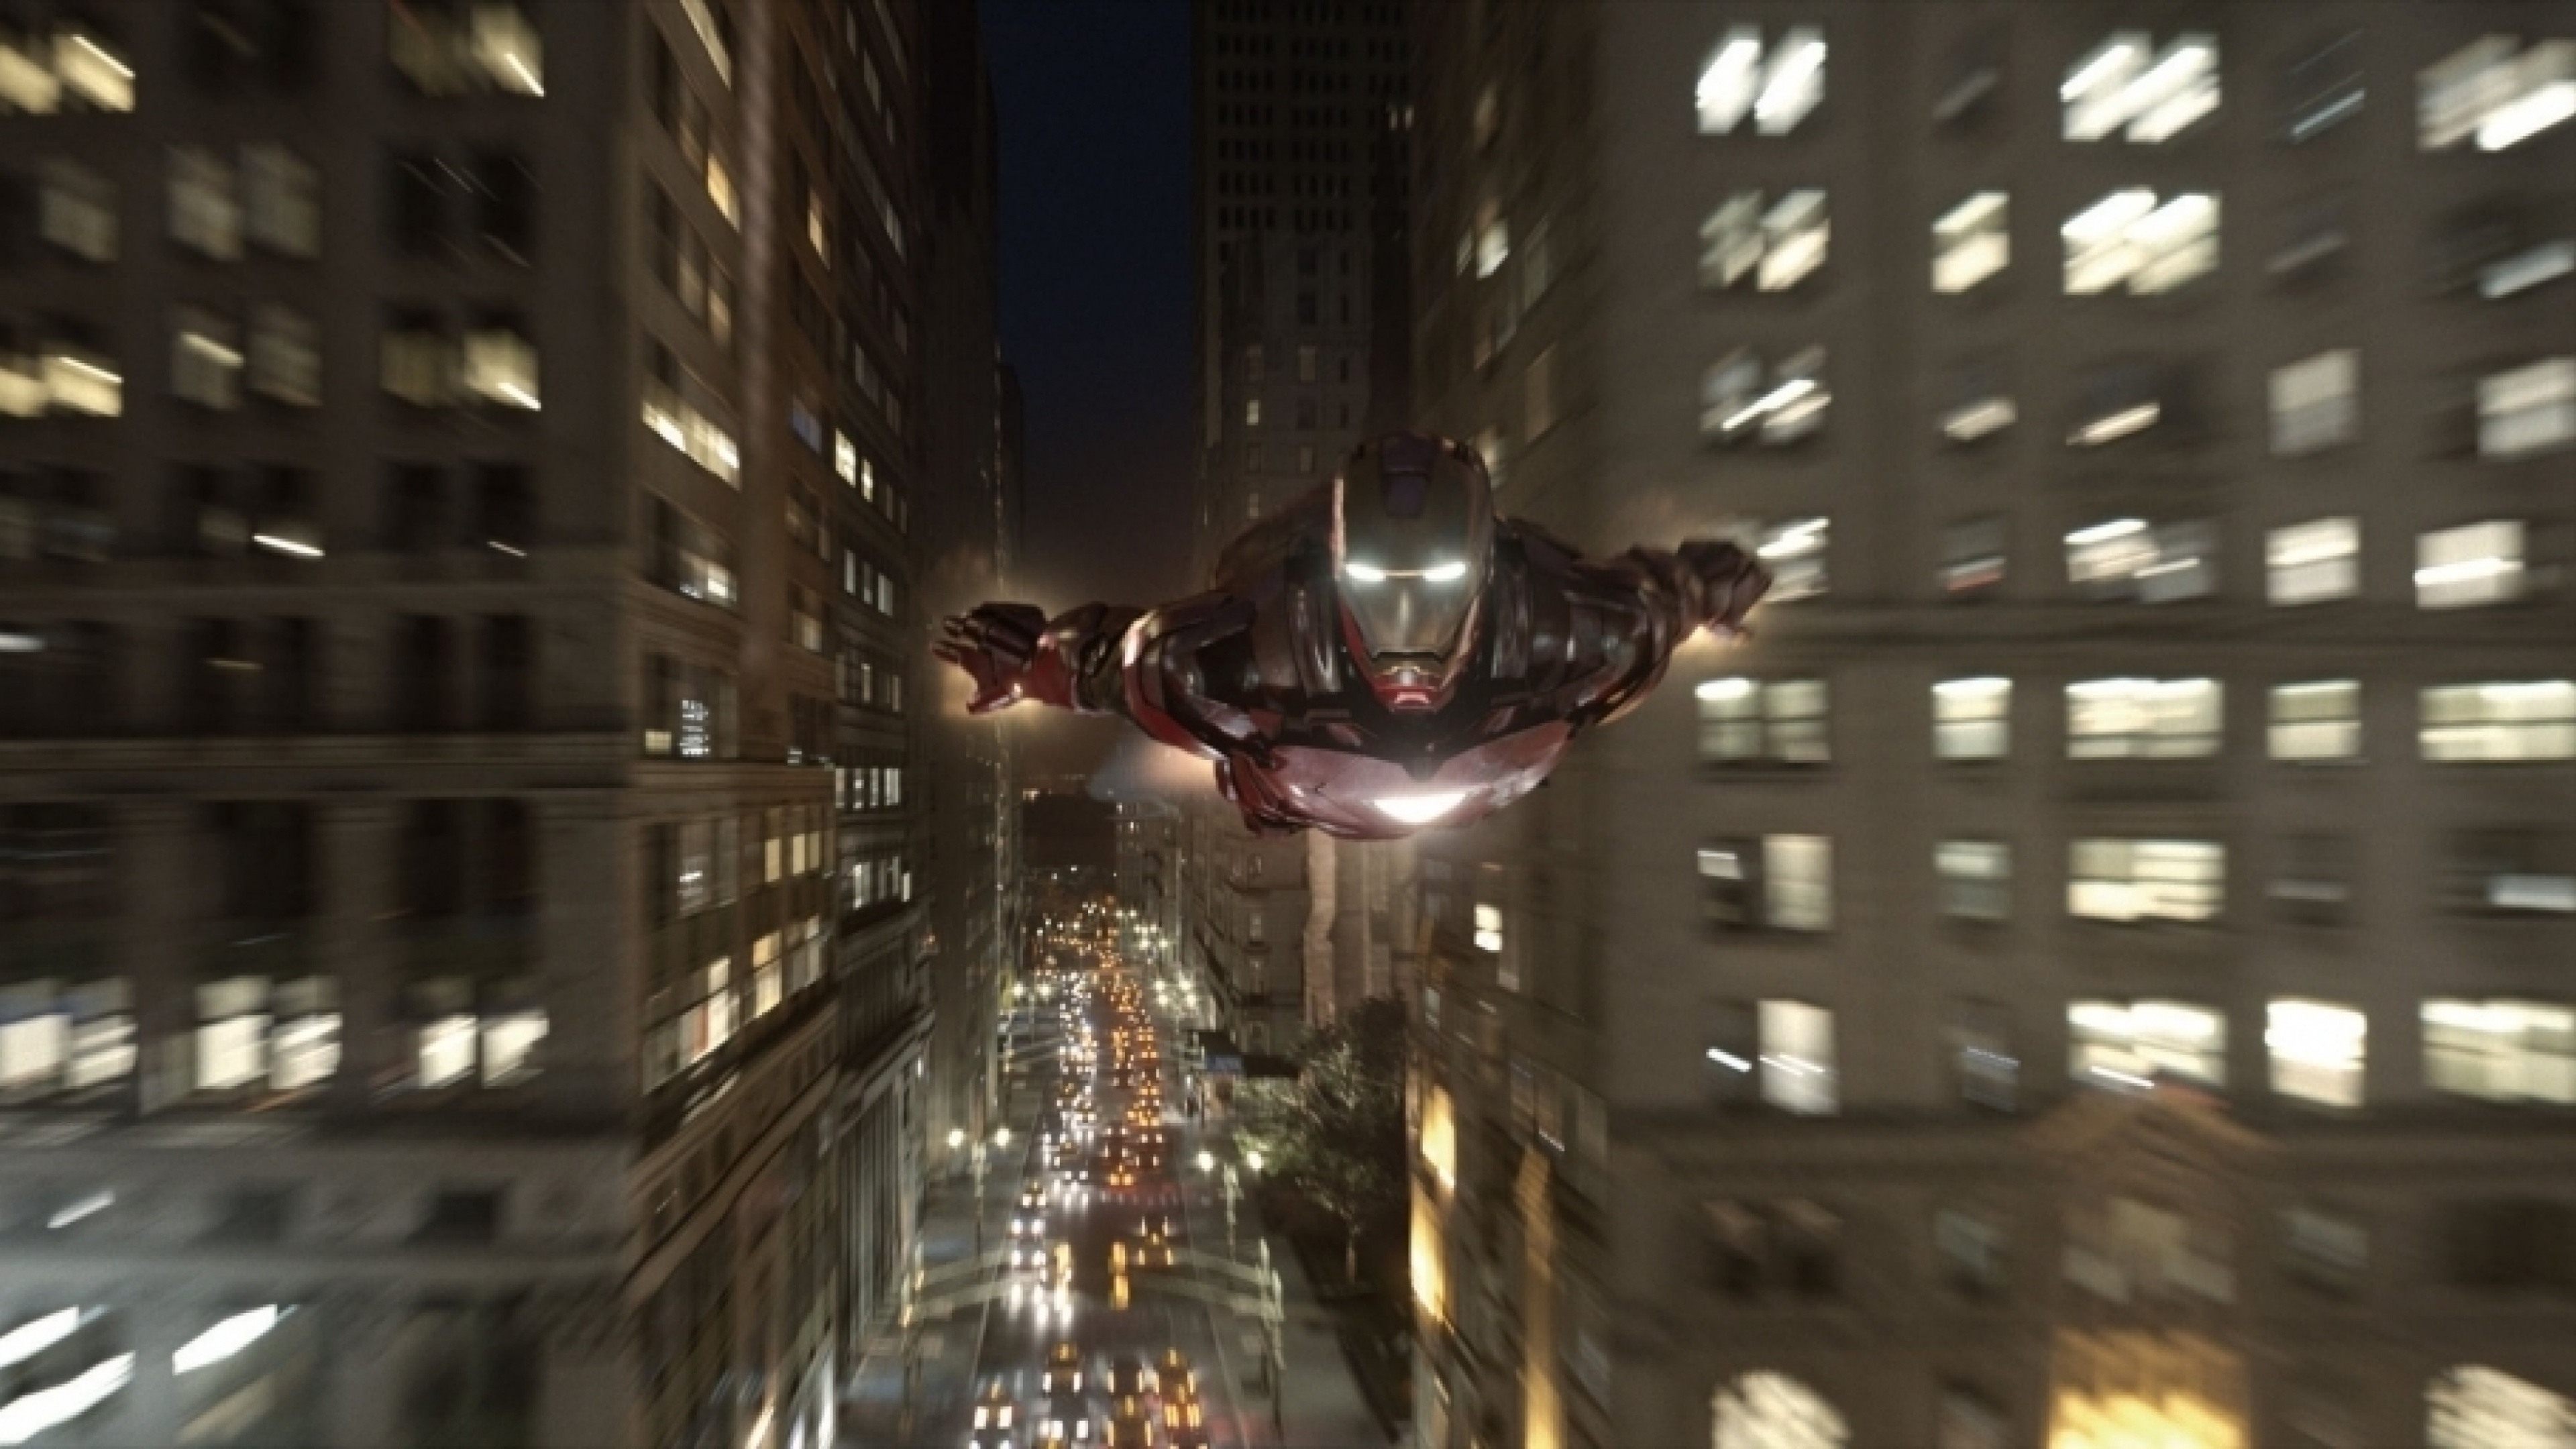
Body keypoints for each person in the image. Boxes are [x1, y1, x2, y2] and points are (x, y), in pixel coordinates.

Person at [937, 432, 1770, 839]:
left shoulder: (1586, 630)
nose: (1409, 641)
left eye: (1434, 590)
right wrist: (1034, 659)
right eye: (1380, 589)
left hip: (1406, 777)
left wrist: (1709, 586)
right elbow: (1104, 664)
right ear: (1337, 574)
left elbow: (1667, 592)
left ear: (1485, 576)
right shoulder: (1218, 657)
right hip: (1311, 790)